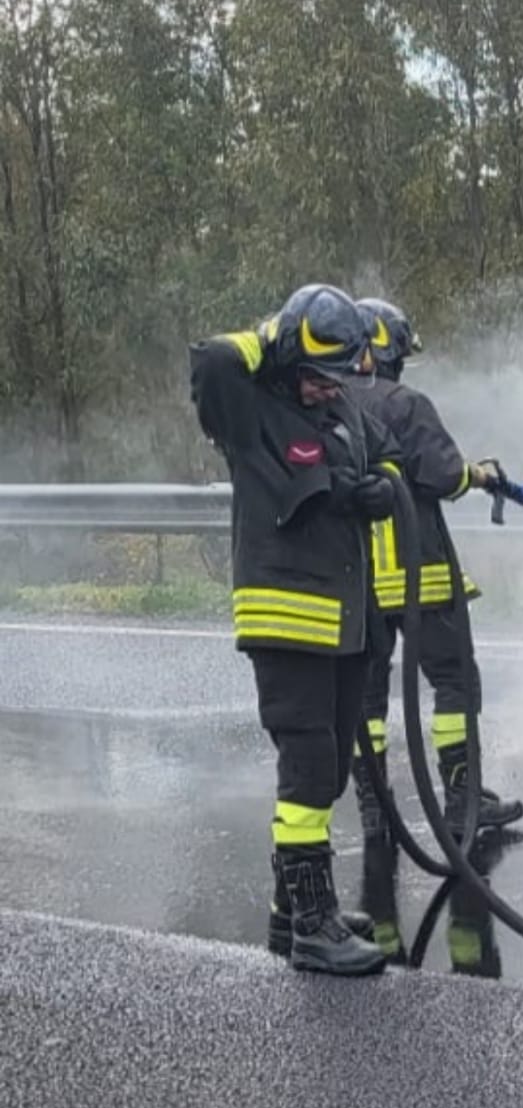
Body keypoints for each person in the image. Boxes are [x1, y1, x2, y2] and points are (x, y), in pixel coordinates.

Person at [189, 283, 398, 977]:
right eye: (311, 375)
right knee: (308, 762)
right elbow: (213, 363)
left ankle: (293, 907)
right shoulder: (250, 412)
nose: (321, 389)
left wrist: (381, 488)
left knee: (333, 763)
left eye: (332, 378)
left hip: (342, 621)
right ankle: (313, 925)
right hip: (286, 617)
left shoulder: (338, 411)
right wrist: (269, 334)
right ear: (286, 357)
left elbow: (380, 456)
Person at [348, 297, 523, 849]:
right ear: (389, 350)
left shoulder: (327, 406)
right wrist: (480, 474)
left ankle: (375, 810)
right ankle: (462, 800)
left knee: (366, 700)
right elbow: (445, 477)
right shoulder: (405, 404)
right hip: (416, 569)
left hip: (355, 580)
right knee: (454, 682)